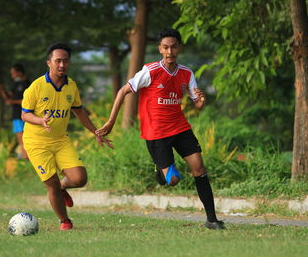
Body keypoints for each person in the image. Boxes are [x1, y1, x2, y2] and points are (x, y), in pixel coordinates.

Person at [96, 28, 225, 230]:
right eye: (165, 47)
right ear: (160, 49)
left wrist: (201, 101)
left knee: (199, 168)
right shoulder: (150, 71)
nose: (170, 51)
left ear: (179, 48)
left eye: (174, 47)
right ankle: (160, 169)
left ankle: (212, 219)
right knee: (173, 180)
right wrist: (111, 122)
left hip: (180, 127)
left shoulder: (186, 73)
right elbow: (123, 91)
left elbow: (197, 104)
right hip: (156, 132)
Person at [21, 42, 113, 231]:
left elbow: (79, 112)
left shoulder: (71, 86)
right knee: (52, 183)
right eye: (58, 61)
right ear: (49, 63)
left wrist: (96, 132)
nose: (62, 65)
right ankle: (65, 221)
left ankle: (62, 189)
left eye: (65, 61)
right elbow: (25, 114)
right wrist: (40, 121)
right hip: (36, 143)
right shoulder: (35, 87)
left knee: (80, 178)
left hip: (61, 140)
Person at [0, 63, 31, 159]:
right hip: (16, 115)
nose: (12, 76)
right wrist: (2, 90)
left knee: (28, 138)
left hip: (26, 114)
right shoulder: (15, 85)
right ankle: (26, 158)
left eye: (13, 73)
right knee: (21, 139)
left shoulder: (28, 84)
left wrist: (14, 102)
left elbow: (29, 101)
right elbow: (8, 99)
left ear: (19, 72)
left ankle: (27, 158)